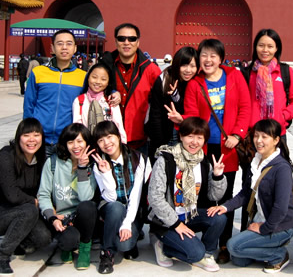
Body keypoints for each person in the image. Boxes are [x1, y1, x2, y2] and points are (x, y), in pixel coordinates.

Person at [183, 38, 251, 263]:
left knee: (225, 195)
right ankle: (205, 241)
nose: (208, 59)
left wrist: (237, 134)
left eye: (213, 55)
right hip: (203, 147)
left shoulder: (234, 76)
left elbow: (245, 107)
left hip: (227, 146)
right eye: (204, 55)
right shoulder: (195, 83)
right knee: (203, 194)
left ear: (221, 58)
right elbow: (191, 114)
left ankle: (224, 243)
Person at [208, 119, 293, 273]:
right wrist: (225, 207)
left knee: (233, 246)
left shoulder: (281, 168)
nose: (258, 141)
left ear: (276, 140)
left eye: (264, 137)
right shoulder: (256, 161)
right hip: (260, 219)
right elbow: (245, 193)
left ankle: (279, 255)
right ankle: (268, 247)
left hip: (279, 226)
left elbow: (281, 208)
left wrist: (264, 228)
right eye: (256, 136)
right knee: (239, 260)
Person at [148, 117, 227, 272]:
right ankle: (162, 244)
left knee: (219, 218)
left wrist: (217, 176)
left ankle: (207, 254)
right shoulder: (166, 160)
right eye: (190, 136)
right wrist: (176, 224)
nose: (194, 142)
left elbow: (214, 197)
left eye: (199, 138)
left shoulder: (204, 162)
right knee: (195, 253)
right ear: (181, 136)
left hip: (191, 215)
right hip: (167, 221)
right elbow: (155, 197)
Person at [0, 118, 52, 276]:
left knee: (44, 238)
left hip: (20, 209)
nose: (32, 140)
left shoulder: (41, 159)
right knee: (30, 210)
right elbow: (12, 195)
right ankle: (1, 257)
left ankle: (19, 242)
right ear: (18, 138)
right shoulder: (5, 157)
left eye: (36, 135)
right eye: (26, 135)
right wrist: (34, 201)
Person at [38, 123, 98, 270]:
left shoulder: (92, 165)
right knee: (68, 241)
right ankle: (67, 246)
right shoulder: (53, 163)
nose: (76, 146)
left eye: (80, 141)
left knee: (88, 206)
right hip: (61, 218)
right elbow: (43, 194)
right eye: (71, 142)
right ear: (65, 144)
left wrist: (82, 169)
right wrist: (52, 217)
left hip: (81, 217)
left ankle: (85, 248)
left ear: (87, 143)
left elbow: (85, 197)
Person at [92, 121, 145, 274]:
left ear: (118, 136)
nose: (106, 143)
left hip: (132, 210)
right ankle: (107, 252)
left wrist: (127, 224)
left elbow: (136, 195)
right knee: (116, 207)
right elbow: (111, 198)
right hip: (111, 209)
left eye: (110, 137)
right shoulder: (99, 163)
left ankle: (131, 236)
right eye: (101, 140)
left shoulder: (137, 158)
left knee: (124, 245)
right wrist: (106, 173)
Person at [101, 23, 161, 155]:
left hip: (139, 140)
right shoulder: (104, 66)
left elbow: (160, 103)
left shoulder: (151, 70)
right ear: (116, 42)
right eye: (121, 38)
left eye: (132, 39)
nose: (126, 43)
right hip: (109, 139)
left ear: (138, 42)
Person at [24, 29, 87, 155]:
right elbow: (29, 105)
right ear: (52, 48)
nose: (64, 47)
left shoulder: (83, 76)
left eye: (69, 43)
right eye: (60, 43)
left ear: (75, 48)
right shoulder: (38, 72)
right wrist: (28, 132)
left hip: (68, 140)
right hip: (39, 140)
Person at [242, 29, 293, 139]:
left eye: (270, 46)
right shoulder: (247, 73)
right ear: (255, 47)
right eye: (261, 46)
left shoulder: (285, 71)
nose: (265, 50)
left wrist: (283, 116)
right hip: (253, 133)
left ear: (276, 48)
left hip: (276, 131)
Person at [146, 46, 199, 164]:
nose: (188, 70)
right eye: (184, 65)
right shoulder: (164, 79)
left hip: (187, 138)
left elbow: (188, 110)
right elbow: (155, 114)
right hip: (165, 136)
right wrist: (159, 145)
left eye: (193, 66)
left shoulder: (196, 82)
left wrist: (176, 96)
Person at [72, 62, 125, 141]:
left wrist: (123, 145)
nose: (98, 82)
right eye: (94, 77)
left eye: (103, 79)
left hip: (108, 145)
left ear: (108, 82)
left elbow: (118, 126)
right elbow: (77, 127)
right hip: (87, 144)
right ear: (88, 78)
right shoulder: (79, 101)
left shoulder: (111, 100)